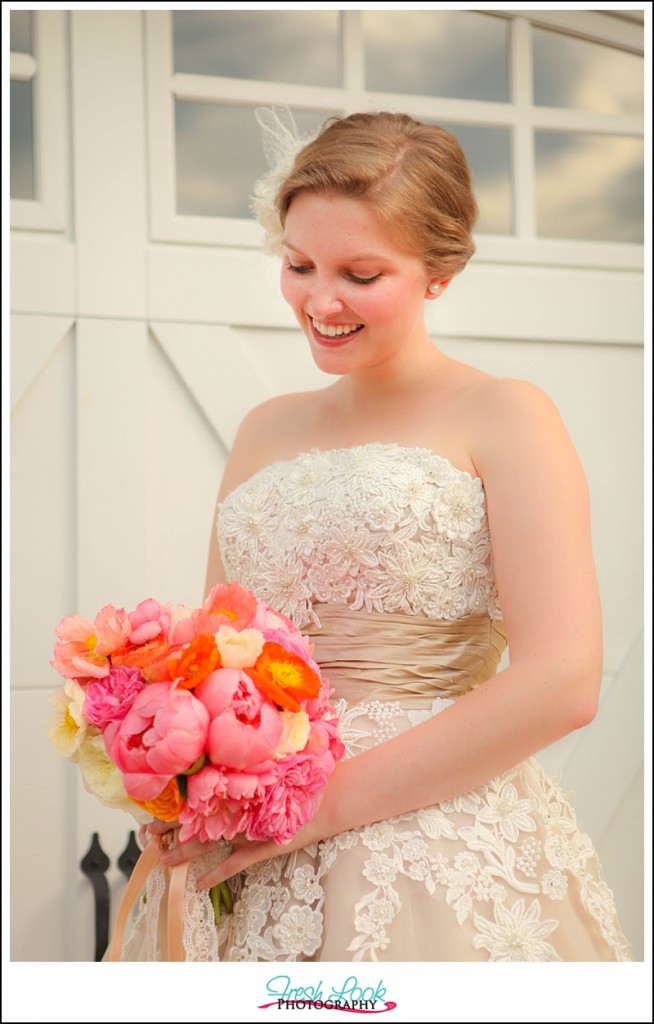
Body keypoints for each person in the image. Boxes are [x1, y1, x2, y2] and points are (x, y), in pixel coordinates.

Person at [124, 110, 631, 961]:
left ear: (437, 273)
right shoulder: (262, 428)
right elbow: (214, 655)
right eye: (298, 265)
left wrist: (314, 809)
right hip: (242, 841)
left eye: (361, 274)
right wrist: (178, 766)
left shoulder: (506, 415)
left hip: (426, 844)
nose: (320, 302)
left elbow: (563, 681)